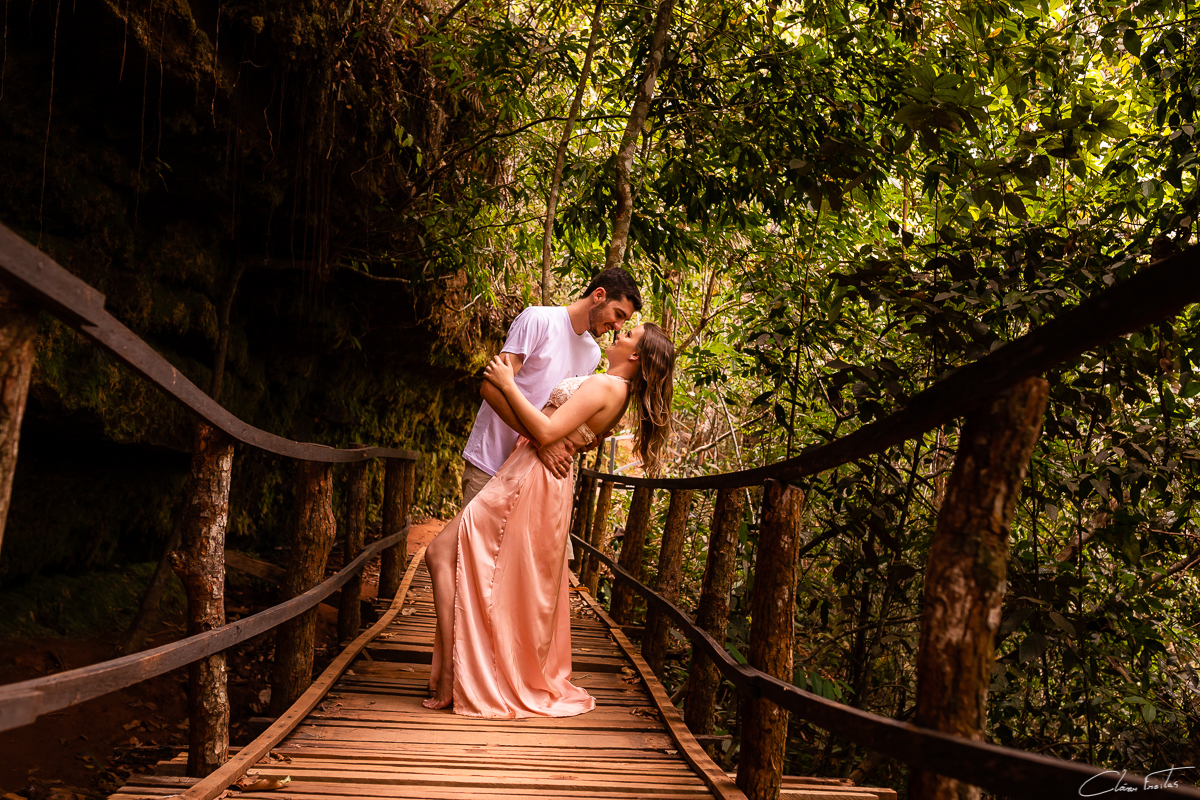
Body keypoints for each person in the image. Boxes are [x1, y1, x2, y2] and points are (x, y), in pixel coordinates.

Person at [422, 322, 676, 717]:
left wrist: (508, 383)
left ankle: (456, 675)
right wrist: (545, 439)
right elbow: (553, 435)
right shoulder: (616, 390)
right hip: (536, 472)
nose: (620, 333)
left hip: (531, 477)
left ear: (636, 355)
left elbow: (545, 429)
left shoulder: (607, 388)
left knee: (441, 552)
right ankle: (459, 673)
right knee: (486, 572)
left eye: (629, 335)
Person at [460, 268, 642, 506]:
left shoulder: (592, 353)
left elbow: (564, 417)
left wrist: (585, 439)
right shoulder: (538, 319)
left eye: (624, 321)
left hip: (532, 473)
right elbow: (491, 388)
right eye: (618, 314)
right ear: (598, 295)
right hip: (491, 461)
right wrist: (540, 442)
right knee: (468, 543)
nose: (618, 326)